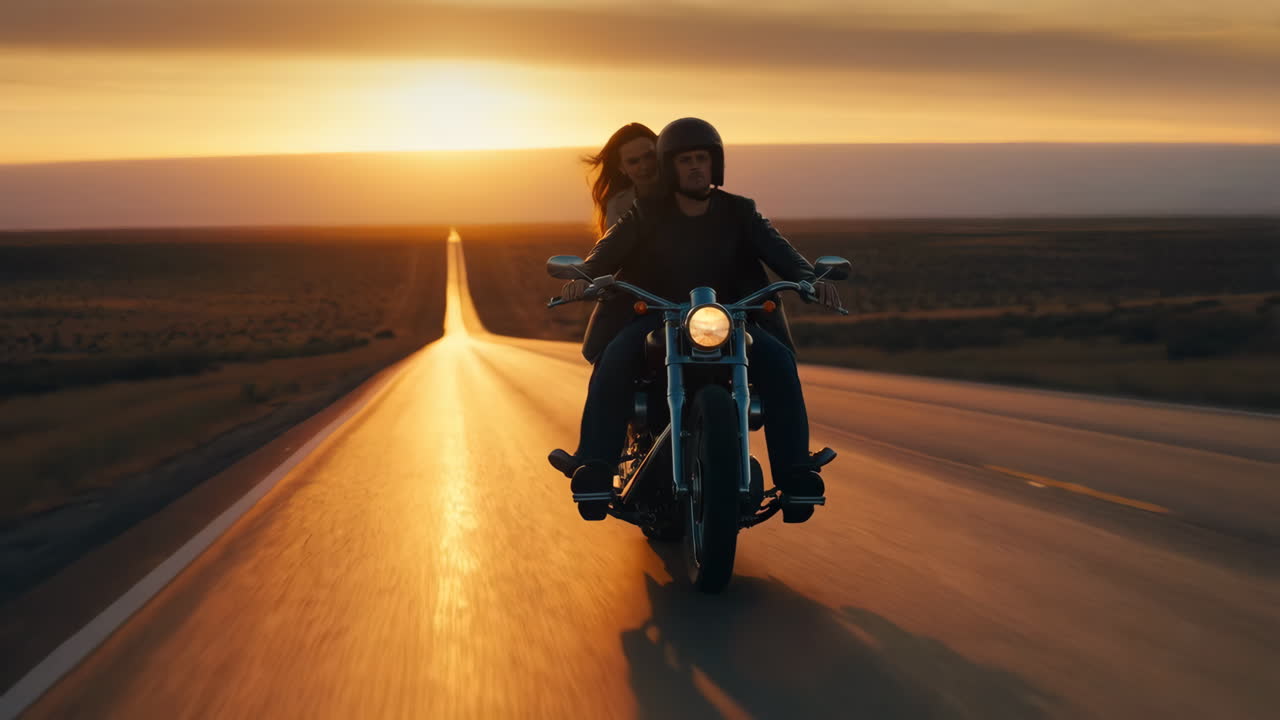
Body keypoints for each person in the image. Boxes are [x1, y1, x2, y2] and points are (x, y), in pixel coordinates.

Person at [549, 117, 842, 523]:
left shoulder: (740, 211)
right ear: (671, 166)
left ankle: (796, 475)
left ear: (715, 163)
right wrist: (583, 275)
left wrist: (811, 279)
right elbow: (606, 252)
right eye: (685, 160)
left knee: (778, 360)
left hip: (731, 320)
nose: (694, 168)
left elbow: (781, 252)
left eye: (701, 159)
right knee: (614, 357)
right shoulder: (646, 212)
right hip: (658, 317)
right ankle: (595, 468)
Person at [581, 123, 660, 235]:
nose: (644, 166)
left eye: (649, 156)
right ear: (621, 168)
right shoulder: (617, 206)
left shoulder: (681, 192)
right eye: (633, 162)